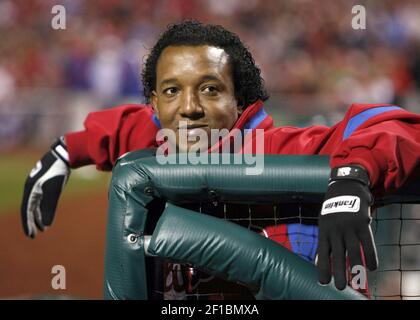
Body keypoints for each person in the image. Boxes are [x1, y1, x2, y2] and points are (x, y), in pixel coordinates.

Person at [21, 20, 420, 295]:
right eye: (172, 91)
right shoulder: (165, 142)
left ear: (239, 98)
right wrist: (67, 148)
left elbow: (389, 124)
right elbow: (129, 126)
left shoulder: (282, 149)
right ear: (155, 104)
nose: (190, 107)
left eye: (210, 89)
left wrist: (351, 178)